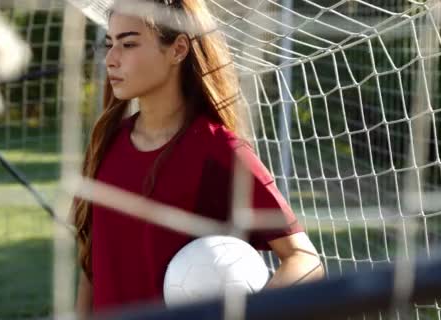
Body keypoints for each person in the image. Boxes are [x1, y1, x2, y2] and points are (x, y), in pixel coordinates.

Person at [73, 0, 324, 317]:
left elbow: (305, 260)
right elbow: (92, 268)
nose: (111, 59)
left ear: (178, 49)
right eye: (110, 45)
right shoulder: (105, 144)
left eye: (129, 44)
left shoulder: (218, 150)